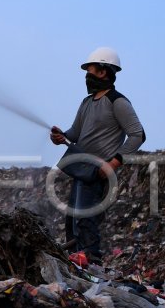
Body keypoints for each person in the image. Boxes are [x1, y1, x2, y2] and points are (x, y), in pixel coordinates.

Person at [49, 47, 146, 262]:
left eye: (90, 70)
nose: (87, 76)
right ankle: (77, 259)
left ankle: (91, 261)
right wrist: (61, 135)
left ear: (103, 72)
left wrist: (113, 163)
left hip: (99, 171)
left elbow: (138, 135)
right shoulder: (86, 103)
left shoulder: (118, 102)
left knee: (85, 218)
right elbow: (74, 134)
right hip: (82, 168)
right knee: (72, 219)